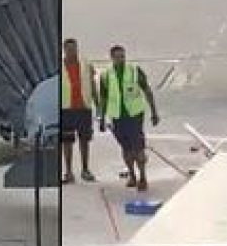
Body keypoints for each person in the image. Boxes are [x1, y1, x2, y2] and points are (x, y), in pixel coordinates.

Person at [99, 45, 159, 192]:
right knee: (126, 148)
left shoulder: (134, 70)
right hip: (117, 117)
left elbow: (147, 90)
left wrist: (154, 111)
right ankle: (132, 175)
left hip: (134, 115)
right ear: (112, 58)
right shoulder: (106, 75)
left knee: (138, 147)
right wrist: (101, 118)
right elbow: (104, 98)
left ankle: (143, 177)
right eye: (118, 57)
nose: (121, 59)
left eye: (123, 56)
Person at [61, 38, 100, 183]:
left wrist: (97, 104)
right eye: (69, 49)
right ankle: (68, 172)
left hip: (83, 107)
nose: (72, 52)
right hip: (66, 109)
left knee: (84, 140)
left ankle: (85, 169)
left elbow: (92, 84)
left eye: (74, 48)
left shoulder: (86, 64)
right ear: (64, 50)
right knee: (67, 141)